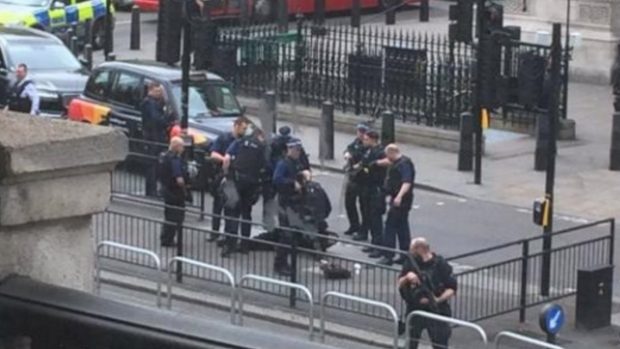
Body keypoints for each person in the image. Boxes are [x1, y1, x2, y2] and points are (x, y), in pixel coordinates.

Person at [398, 238, 457, 349]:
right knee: (411, 343)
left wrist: (436, 300)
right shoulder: (411, 262)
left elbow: (452, 288)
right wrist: (407, 277)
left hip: (437, 311)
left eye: (412, 250)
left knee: (440, 344)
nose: (410, 253)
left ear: (420, 249)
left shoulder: (440, 264)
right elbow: (399, 283)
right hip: (414, 310)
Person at [220, 128, 268, 257]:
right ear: (259, 136)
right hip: (251, 183)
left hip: (236, 180)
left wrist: (226, 174)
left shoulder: (240, 142)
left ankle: (229, 245)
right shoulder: (261, 147)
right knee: (246, 213)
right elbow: (265, 167)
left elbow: (226, 159)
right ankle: (245, 245)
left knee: (233, 213)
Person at [206, 116, 250, 238]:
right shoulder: (224, 138)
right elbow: (213, 153)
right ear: (236, 126)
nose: (244, 131)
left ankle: (227, 233)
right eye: (243, 128)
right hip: (221, 174)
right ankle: (214, 232)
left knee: (230, 207)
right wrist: (226, 159)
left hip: (234, 177)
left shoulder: (244, 141)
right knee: (217, 205)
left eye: (246, 129)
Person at [272, 138, 310, 276]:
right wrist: (292, 183)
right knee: (286, 234)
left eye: (299, 150)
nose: (297, 152)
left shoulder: (297, 162)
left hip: (296, 202)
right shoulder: (283, 163)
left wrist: (304, 176)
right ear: (289, 149)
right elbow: (276, 179)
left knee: (292, 234)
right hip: (285, 202)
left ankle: (286, 262)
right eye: (295, 149)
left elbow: (300, 174)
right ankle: (279, 264)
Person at [378, 144, 415, 266]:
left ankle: (388, 255)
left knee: (390, 226)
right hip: (400, 198)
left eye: (388, 156)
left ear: (392, 153)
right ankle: (405, 255)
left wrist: (399, 196)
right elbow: (386, 163)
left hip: (401, 200)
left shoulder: (404, 164)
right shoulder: (399, 162)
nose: (387, 159)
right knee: (402, 227)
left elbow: (407, 182)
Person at [352, 130, 387, 252]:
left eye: (366, 139)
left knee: (375, 218)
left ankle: (379, 246)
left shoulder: (380, 152)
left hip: (375, 188)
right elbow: (363, 162)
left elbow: (386, 162)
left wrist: (374, 164)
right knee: (368, 215)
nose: (364, 141)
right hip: (366, 186)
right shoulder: (368, 150)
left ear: (373, 139)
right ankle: (373, 243)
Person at [159, 137, 191, 247]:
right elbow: (179, 179)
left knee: (168, 215)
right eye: (182, 146)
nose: (183, 149)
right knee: (176, 217)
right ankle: (169, 240)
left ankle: (165, 238)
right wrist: (185, 188)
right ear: (176, 147)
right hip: (175, 192)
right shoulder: (175, 159)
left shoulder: (164, 156)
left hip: (166, 190)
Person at [141, 82, 170, 197]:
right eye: (158, 91)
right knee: (152, 165)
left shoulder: (154, 103)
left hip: (155, 137)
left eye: (161, 92)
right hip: (152, 137)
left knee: (156, 164)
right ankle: (151, 191)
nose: (160, 94)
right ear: (150, 90)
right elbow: (156, 119)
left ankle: (154, 189)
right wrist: (166, 117)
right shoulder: (149, 103)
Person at [343, 123, 369, 236]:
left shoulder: (367, 145)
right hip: (352, 177)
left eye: (363, 132)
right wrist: (346, 154)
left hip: (363, 179)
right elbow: (348, 149)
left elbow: (362, 158)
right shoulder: (356, 142)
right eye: (359, 131)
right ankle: (354, 225)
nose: (360, 134)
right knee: (349, 202)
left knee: (364, 206)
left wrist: (352, 156)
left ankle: (363, 230)